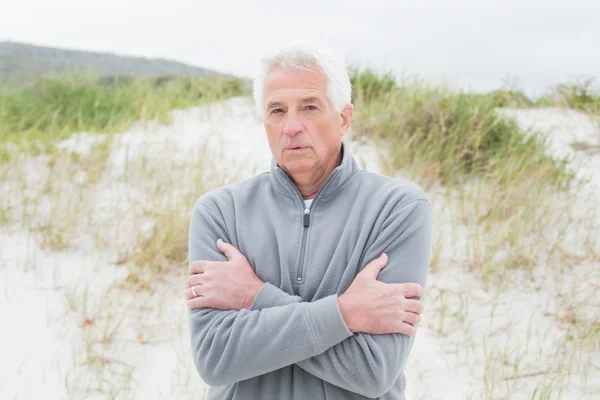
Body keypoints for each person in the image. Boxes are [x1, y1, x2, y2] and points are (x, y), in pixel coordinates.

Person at [184, 41, 432, 400]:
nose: (292, 126)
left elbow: (371, 371)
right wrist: (346, 313)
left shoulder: (397, 208)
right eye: (277, 110)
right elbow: (216, 360)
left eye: (310, 107)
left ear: (343, 118)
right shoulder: (220, 212)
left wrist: (254, 296)